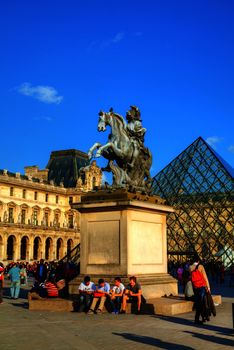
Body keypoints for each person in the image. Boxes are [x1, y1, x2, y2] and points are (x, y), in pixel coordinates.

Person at [190, 254, 211, 324]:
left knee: (199, 303)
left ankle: (198, 318)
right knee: (202, 303)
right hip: (202, 287)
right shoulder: (201, 266)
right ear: (198, 260)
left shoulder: (191, 267)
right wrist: (208, 287)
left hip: (195, 287)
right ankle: (203, 317)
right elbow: (205, 277)